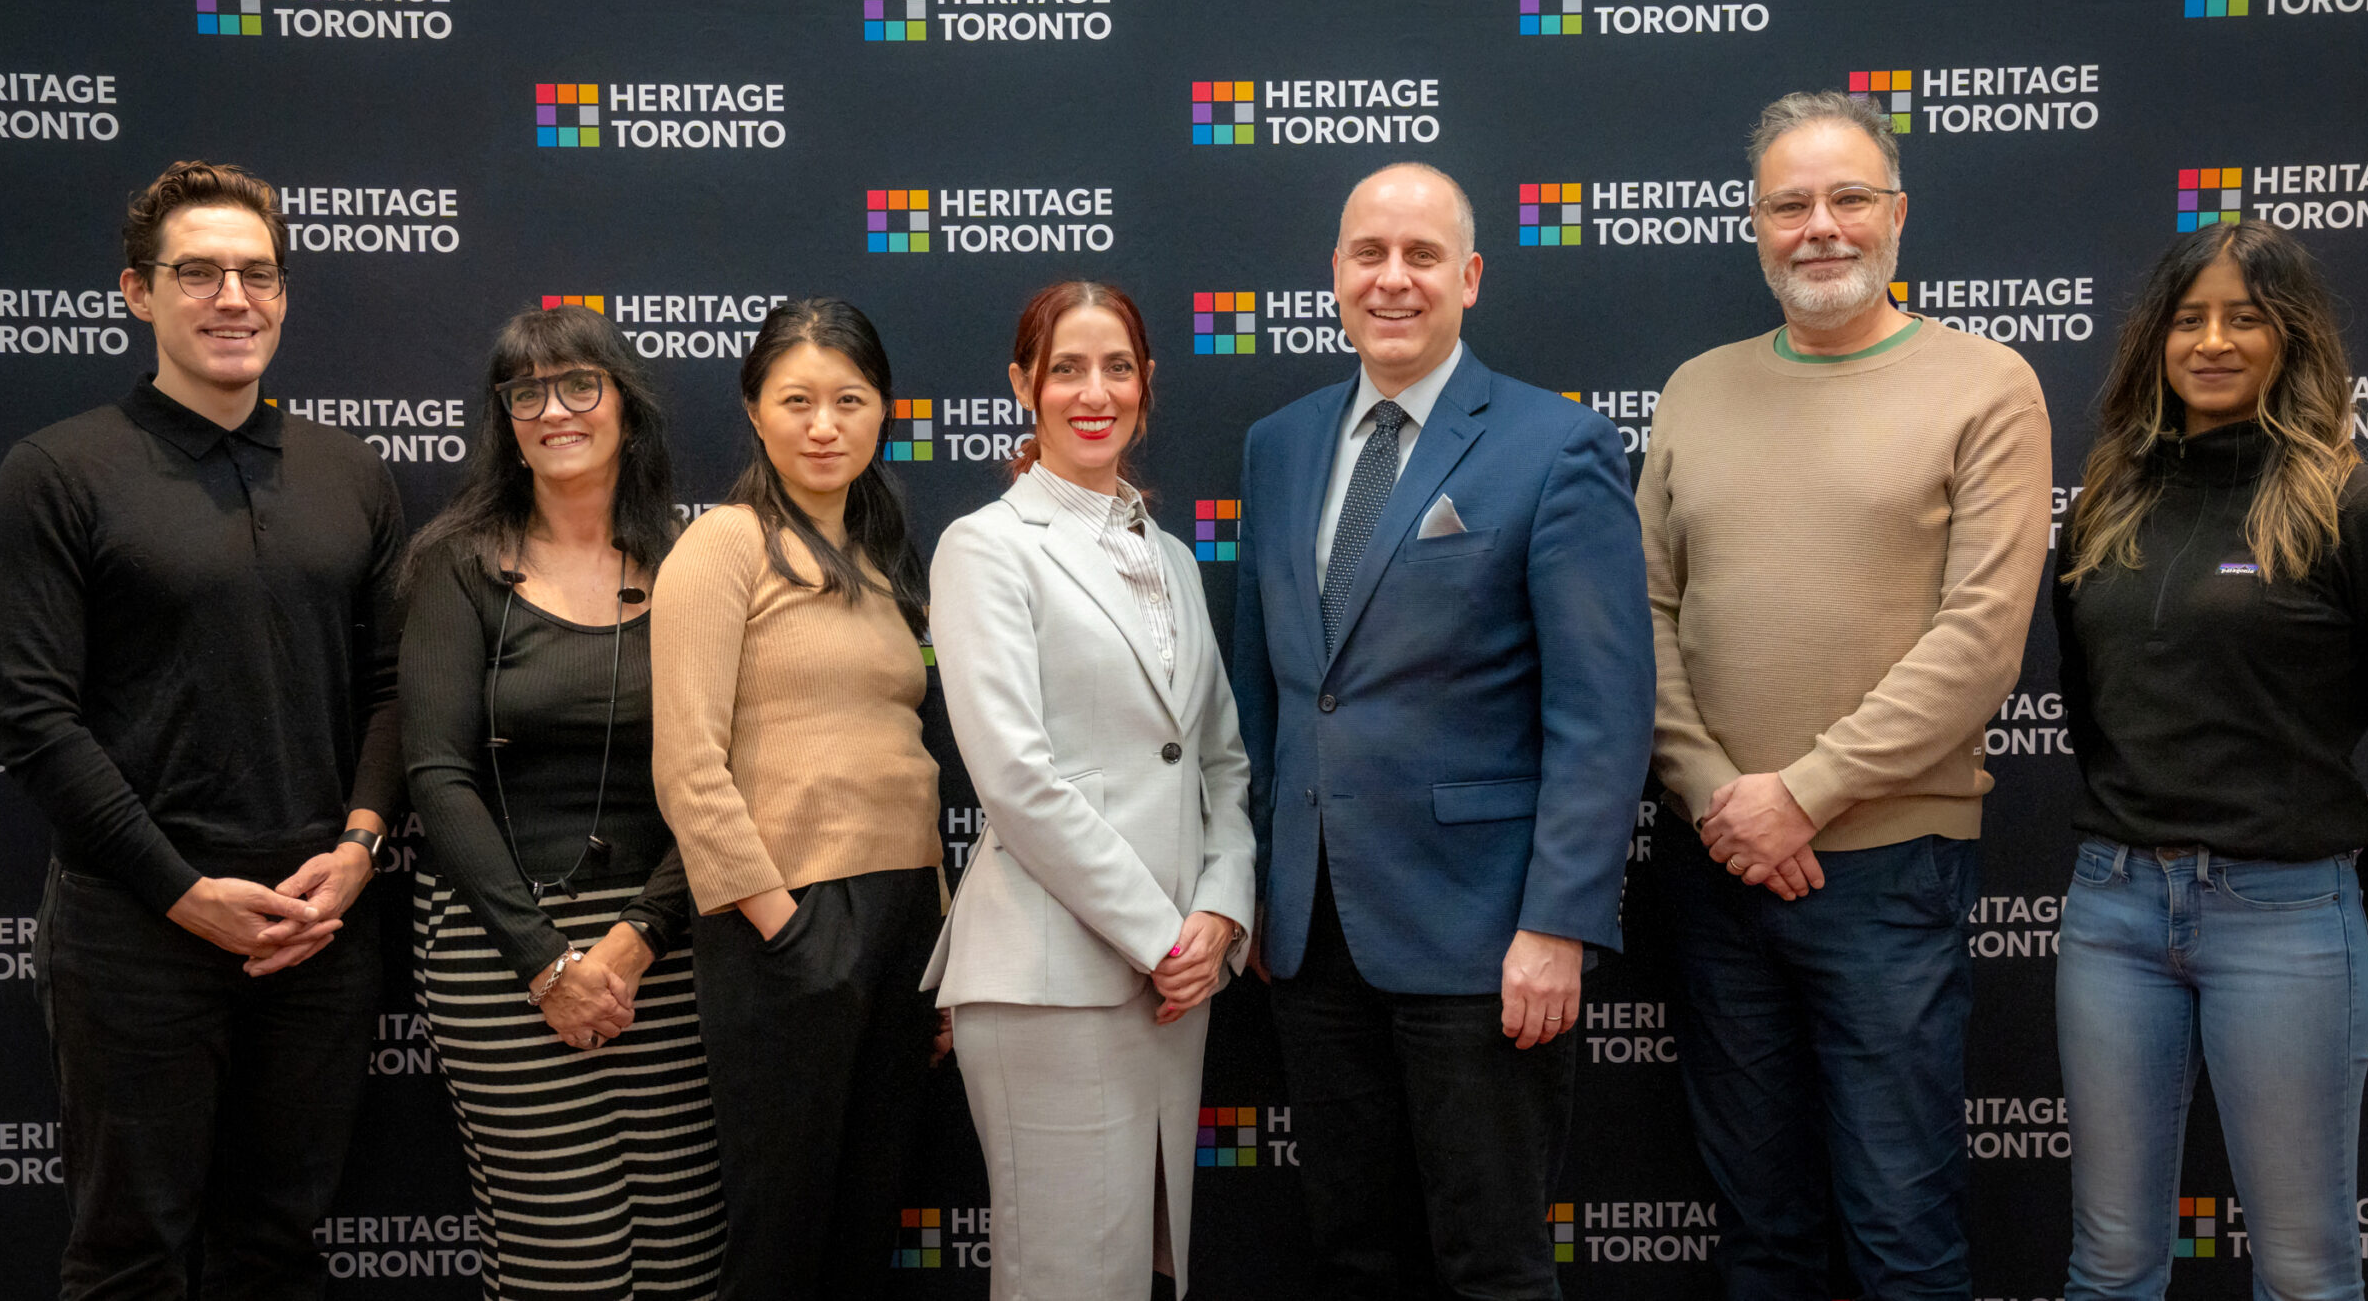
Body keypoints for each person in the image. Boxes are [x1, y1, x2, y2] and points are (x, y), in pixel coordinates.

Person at [1636, 90, 2051, 1300]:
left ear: (1896, 214)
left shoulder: (1984, 383)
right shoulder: (1696, 389)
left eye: (1848, 197)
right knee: (1758, 1231)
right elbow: (1646, 619)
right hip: (1714, 866)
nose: (1819, 226)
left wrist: (1801, 797)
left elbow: (1979, 642)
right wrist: (1721, 797)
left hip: (1887, 869)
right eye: (1789, 204)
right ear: (1755, 226)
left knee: (1898, 1230)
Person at [0, 160, 403, 1299]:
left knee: (279, 1251)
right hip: (135, 933)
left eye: (256, 274)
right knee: (132, 1257)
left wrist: (358, 851)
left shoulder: (351, 474)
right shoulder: (57, 472)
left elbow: (392, 689)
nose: (231, 298)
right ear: (137, 293)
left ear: (284, 295)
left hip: (316, 932)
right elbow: (32, 717)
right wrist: (182, 891)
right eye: (198, 272)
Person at [1230, 162, 1652, 1299]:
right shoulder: (1277, 446)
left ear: (1469, 277)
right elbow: (1268, 693)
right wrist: (1269, 885)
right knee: (1356, 1255)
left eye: (1421, 256)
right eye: (1368, 254)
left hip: (1483, 939)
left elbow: (1600, 714)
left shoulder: (1556, 445)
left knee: (1492, 1265)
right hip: (1313, 940)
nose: (1393, 278)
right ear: (1333, 277)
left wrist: (1558, 921)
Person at [2053, 220, 2368, 1301]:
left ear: (2292, 339)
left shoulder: (2358, 508)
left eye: (2244, 317)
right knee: (2107, 1264)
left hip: (2287, 919)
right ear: (2154, 340)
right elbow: (2092, 706)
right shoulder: (2106, 500)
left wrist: (2358, 904)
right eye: (2188, 319)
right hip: (2112, 913)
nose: (2213, 341)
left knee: (2301, 1270)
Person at [925, 282, 1256, 1301]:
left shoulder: (1170, 556)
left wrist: (1220, 912)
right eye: (1066, 368)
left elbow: (1219, 764)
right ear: (1023, 385)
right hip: (1049, 979)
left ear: (1147, 387)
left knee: (1128, 1274)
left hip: (1172, 987)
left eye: (1116, 367)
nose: (1093, 391)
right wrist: (1159, 936)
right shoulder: (985, 547)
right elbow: (1017, 781)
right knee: (1064, 1278)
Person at [398, 304, 724, 1298]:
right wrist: (548, 965)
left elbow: (729, 781)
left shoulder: (696, 564)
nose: (553, 410)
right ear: (504, 419)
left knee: (685, 1260)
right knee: (568, 1262)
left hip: (666, 948)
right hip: (501, 946)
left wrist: (634, 941)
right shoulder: (457, 564)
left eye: (579, 383)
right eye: (525, 393)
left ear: (626, 404)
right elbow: (436, 775)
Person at [650, 297, 943, 1300]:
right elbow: (688, 766)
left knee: (866, 1225)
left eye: (849, 400)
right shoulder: (722, 545)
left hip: (904, 928)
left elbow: (905, 759)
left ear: (882, 413)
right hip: (788, 923)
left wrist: (937, 936)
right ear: (753, 411)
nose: (825, 425)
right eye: (798, 400)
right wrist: (781, 927)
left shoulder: (885, 561)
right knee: (780, 1235)